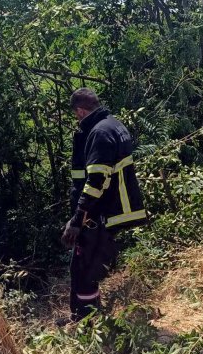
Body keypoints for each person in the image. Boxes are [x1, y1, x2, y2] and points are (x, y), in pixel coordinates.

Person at [59, 89, 147, 326]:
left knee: (83, 269)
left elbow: (96, 181)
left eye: (76, 115)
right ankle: (91, 317)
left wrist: (77, 220)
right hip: (109, 210)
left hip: (99, 213)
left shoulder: (98, 133)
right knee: (88, 265)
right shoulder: (114, 126)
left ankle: (85, 322)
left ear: (80, 111)